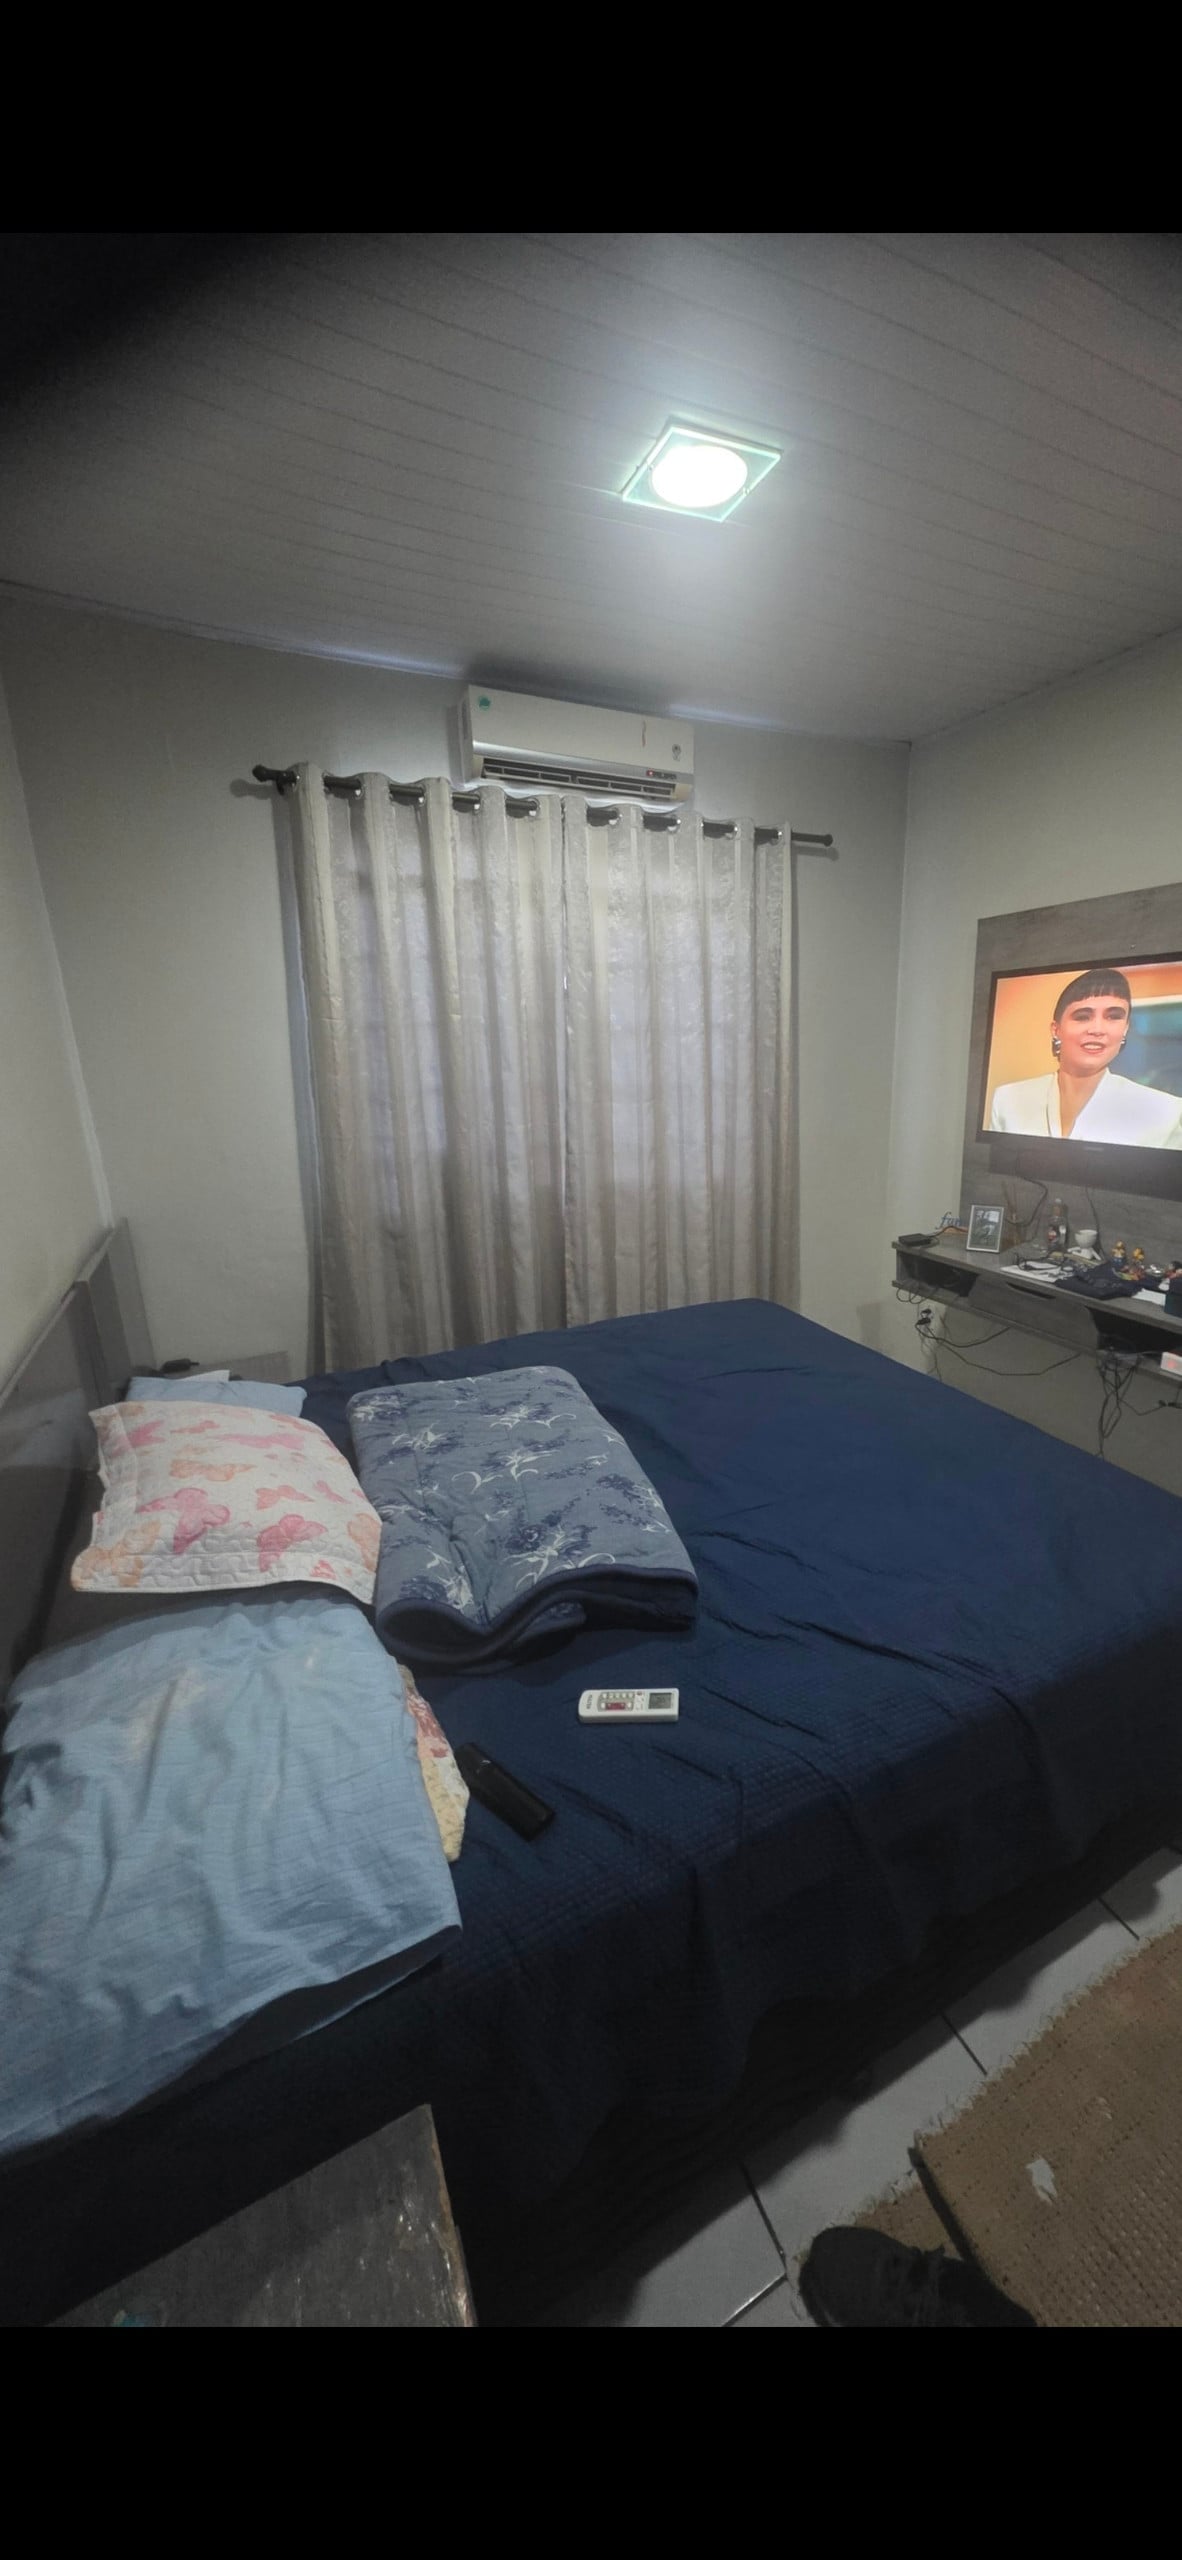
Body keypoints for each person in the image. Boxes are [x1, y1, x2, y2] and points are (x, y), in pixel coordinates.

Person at [989, 968, 1182, 1146]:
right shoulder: (1008, 1099)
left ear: (1125, 1028)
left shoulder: (1166, 1111)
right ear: (1056, 1030)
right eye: (1082, 1017)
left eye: (1113, 1017)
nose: (1097, 1030)